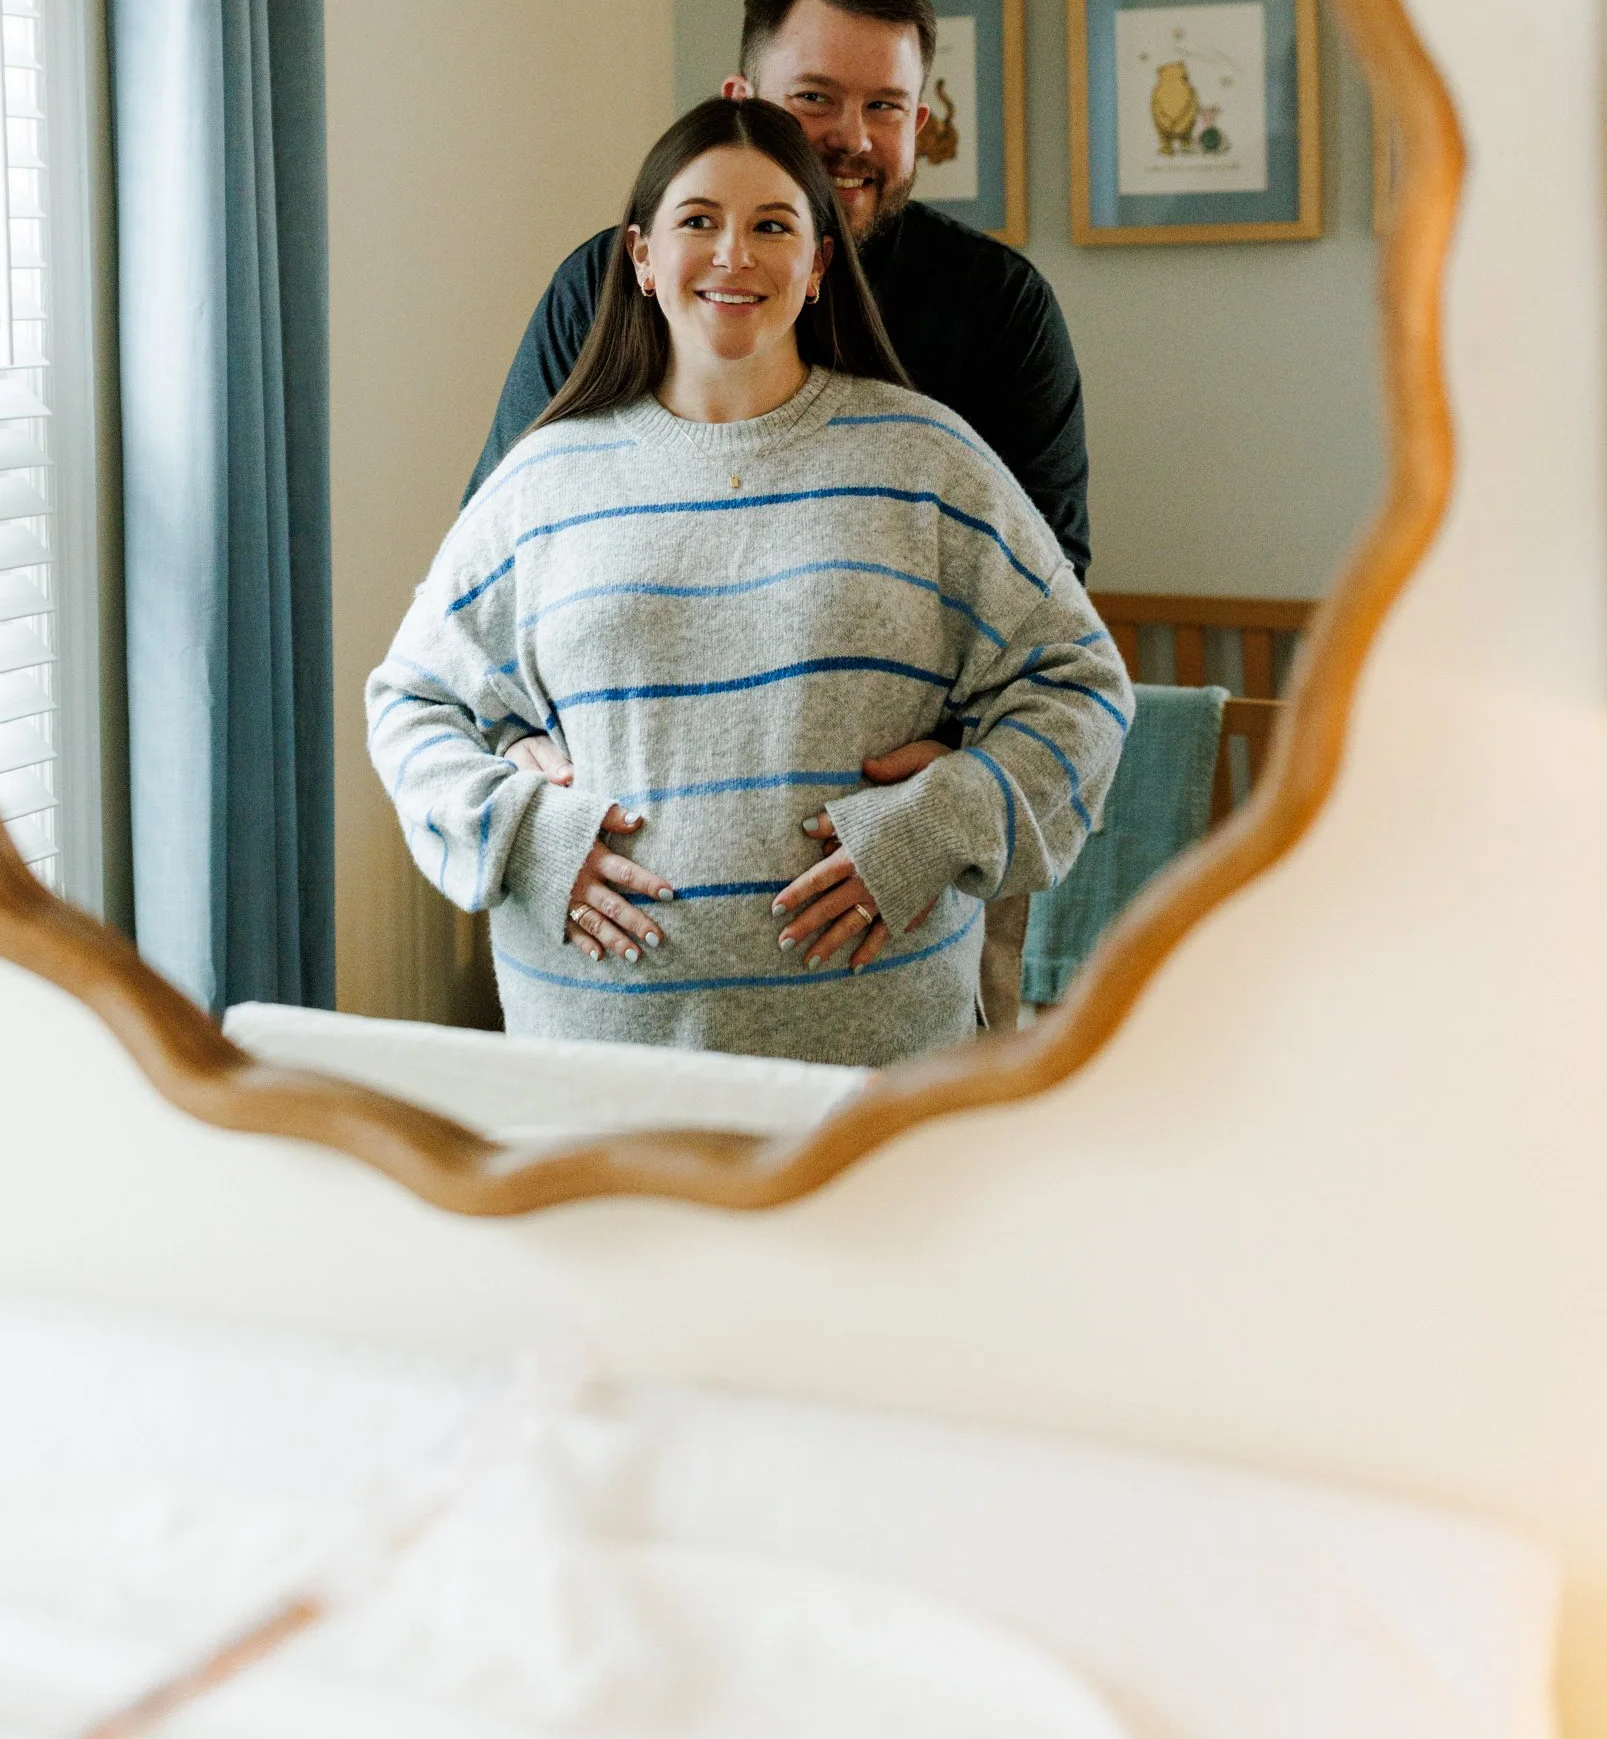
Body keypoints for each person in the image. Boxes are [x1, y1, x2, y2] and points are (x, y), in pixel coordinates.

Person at [368, 97, 1129, 1069]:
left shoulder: (928, 458)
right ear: (641, 257)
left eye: (772, 224)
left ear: (818, 265)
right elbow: (412, 703)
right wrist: (521, 837)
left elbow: (1080, 686)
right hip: (593, 1064)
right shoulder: (545, 478)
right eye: (698, 221)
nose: (734, 253)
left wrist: (941, 824)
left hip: (876, 1066)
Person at [466, 0, 1090, 574]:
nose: (853, 137)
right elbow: (492, 547)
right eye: (815, 97)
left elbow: (1045, 585)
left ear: (918, 121)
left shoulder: (1002, 305)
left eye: (885, 105)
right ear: (743, 102)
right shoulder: (605, 284)